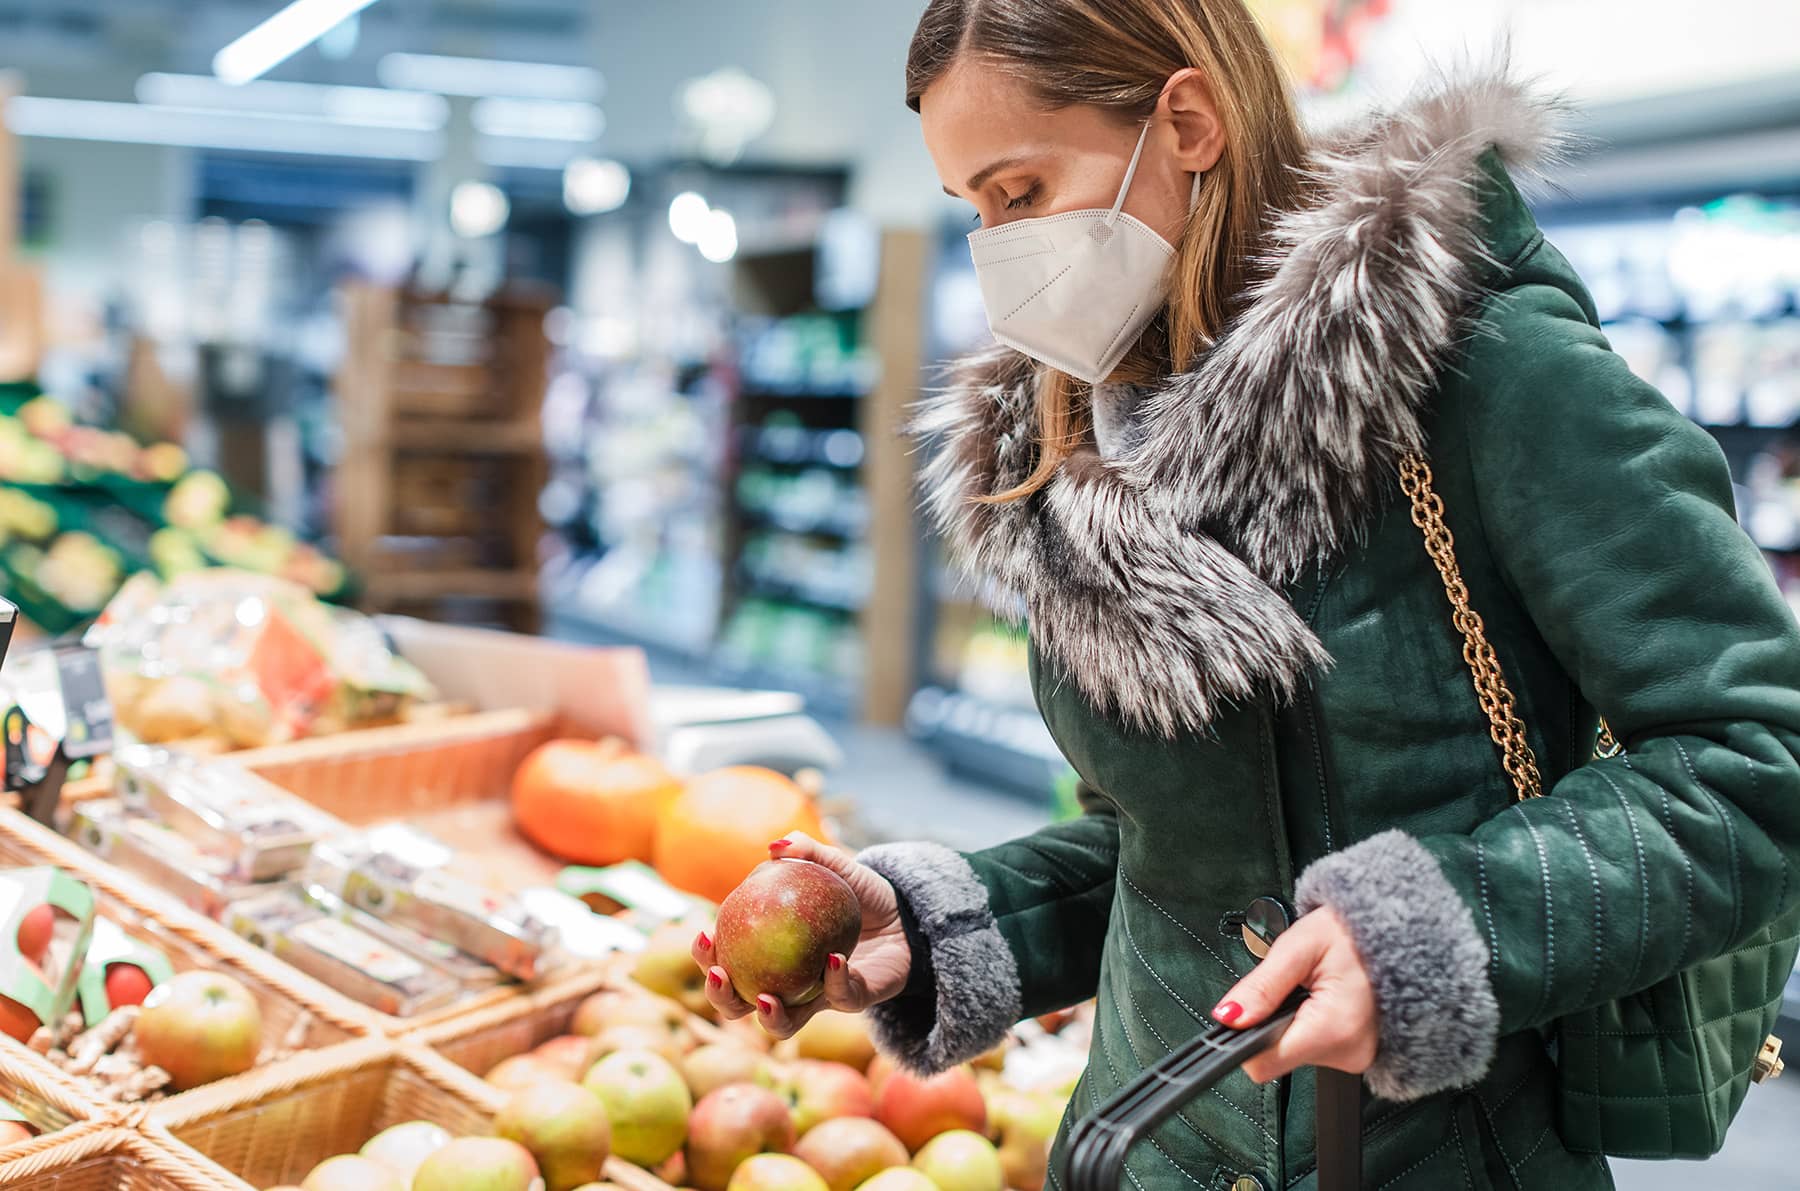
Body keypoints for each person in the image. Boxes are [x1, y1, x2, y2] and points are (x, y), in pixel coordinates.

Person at [694, 2, 1800, 1187]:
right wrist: (948, 927)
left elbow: (1755, 757)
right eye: (972, 209)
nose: (996, 249)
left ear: (1187, 121)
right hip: (1146, 1140)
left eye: (1019, 192)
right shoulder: (1071, 446)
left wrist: (1444, 930)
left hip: (1434, 1148)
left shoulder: (1488, 379)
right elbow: (1178, 862)